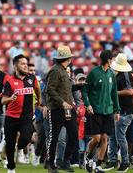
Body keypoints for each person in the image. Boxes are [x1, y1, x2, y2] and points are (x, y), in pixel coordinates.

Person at [2, 54, 41, 173]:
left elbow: (37, 89)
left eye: (26, 64)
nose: (25, 66)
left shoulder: (32, 78)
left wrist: (39, 100)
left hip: (26, 116)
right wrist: (11, 99)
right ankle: (11, 167)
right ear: (15, 66)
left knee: (26, 138)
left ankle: (18, 148)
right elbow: (3, 100)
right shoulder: (9, 81)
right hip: (11, 117)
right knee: (9, 143)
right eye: (22, 64)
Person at [84, 50, 120, 173]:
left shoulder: (111, 74)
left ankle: (98, 164)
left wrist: (117, 110)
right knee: (97, 139)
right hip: (95, 110)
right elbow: (85, 89)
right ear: (109, 60)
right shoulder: (94, 72)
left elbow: (114, 93)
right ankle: (87, 157)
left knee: (105, 138)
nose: (113, 61)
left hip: (108, 111)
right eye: (112, 59)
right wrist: (88, 104)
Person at [45, 45, 78, 173]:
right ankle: (51, 165)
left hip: (68, 109)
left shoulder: (64, 70)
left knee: (74, 136)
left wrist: (79, 86)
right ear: (68, 58)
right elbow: (50, 89)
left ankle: (65, 161)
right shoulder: (55, 71)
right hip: (57, 109)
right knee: (54, 138)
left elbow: (67, 89)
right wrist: (62, 102)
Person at [106, 53, 133, 172]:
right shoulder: (121, 74)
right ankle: (112, 161)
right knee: (113, 136)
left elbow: (129, 91)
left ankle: (125, 162)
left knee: (119, 137)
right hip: (119, 110)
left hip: (125, 111)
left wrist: (114, 94)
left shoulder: (125, 75)